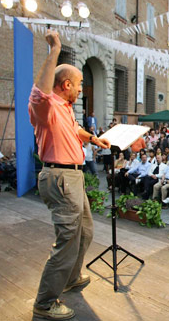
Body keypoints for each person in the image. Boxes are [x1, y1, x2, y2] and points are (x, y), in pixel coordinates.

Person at [29, 30, 111, 320]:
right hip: (61, 178)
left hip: (72, 179)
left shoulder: (65, 108)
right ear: (66, 84)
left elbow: (74, 130)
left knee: (85, 232)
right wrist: (55, 49)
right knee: (67, 240)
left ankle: (71, 277)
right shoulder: (46, 105)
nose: (80, 89)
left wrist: (92, 138)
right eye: (78, 85)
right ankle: (45, 302)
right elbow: (40, 91)